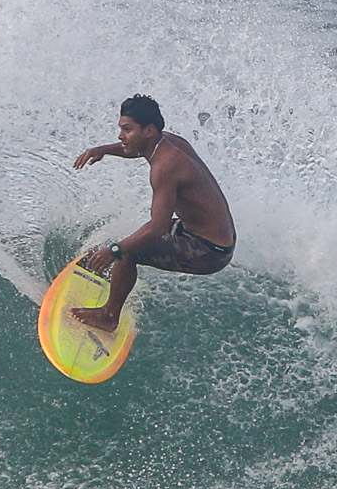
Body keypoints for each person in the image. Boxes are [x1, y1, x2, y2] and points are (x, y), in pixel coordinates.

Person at [70, 94, 236, 332]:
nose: (120, 136)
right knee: (132, 241)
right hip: (208, 231)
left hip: (208, 250)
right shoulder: (168, 141)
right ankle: (116, 274)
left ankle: (108, 316)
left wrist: (114, 251)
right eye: (121, 129)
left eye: (127, 129)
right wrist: (104, 150)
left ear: (148, 130)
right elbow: (134, 149)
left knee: (127, 252)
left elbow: (158, 227)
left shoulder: (166, 167)